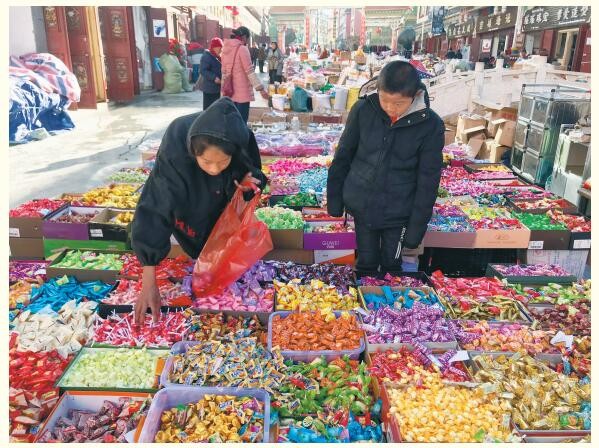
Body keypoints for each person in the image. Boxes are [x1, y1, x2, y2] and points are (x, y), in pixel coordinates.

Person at [131, 97, 267, 324]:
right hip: (188, 203)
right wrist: (149, 280)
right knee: (182, 226)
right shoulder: (176, 146)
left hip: (220, 207)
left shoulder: (241, 138)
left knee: (215, 249)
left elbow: (254, 173)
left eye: (222, 162)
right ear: (193, 151)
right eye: (206, 161)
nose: (214, 169)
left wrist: (245, 183)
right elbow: (156, 207)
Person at [327, 61, 444, 275]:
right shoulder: (363, 109)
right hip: (362, 204)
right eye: (385, 100)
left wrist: (416, 229)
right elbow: (343, 155)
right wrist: (335, 200)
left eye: (398, 103)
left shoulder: (431, 125)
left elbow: (428, 180)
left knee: (392, 265)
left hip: (399, 211)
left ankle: (389, 294)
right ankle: (366, 292)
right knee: (366, 262)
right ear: (377, 90)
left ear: (415, 95)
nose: (390, 108)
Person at [220, 26, 269, 123]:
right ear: (244, 37)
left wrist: (222, 93)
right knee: (242, 122)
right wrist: (261, 89)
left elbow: (223, 73)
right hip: (242, 94)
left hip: (229, 93)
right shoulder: (242, 49)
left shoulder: (225, 49)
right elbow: (250, 72)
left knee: (232, 122)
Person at [199, 37, 222, 110]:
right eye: (219, 48)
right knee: (208, 109)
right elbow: (203, 70)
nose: (221, 50)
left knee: (215, 109)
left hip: (217, 89)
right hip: (209, 89)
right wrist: (214, 77)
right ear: (214, 47)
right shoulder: (207, 56)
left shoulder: (217, 57)